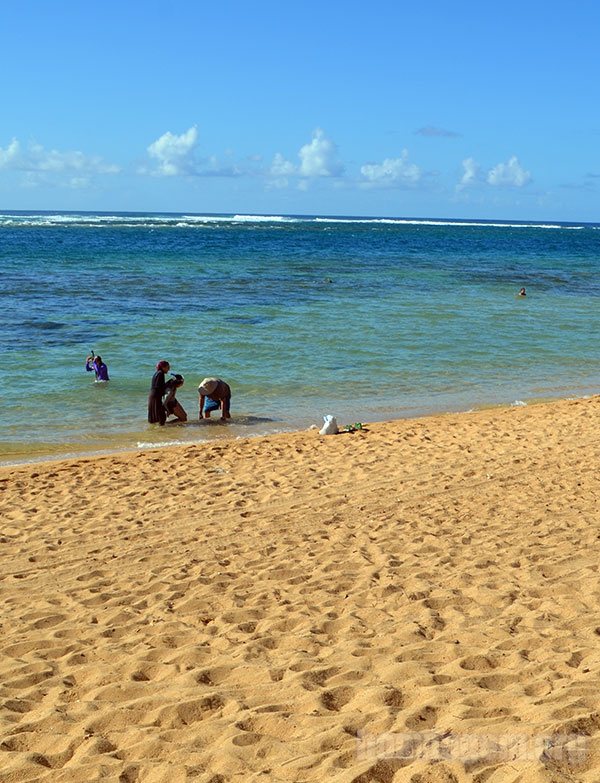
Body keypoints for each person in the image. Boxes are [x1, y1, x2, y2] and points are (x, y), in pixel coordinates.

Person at [148, 360, 170, 425]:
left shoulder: (157, 373)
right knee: (162, 417)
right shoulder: (161, 374)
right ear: (163, 367)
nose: (168, 369)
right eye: (167, 367)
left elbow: (158, 385)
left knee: (154, 416)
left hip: (152, 395)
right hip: (156, 396)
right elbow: (160, 388)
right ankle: (161, 431)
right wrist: (170, 383)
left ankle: (155, 431)